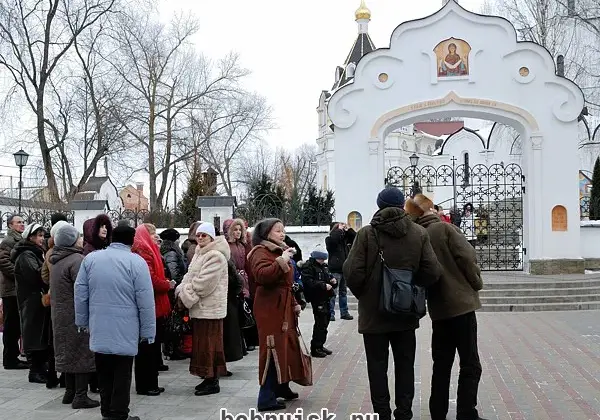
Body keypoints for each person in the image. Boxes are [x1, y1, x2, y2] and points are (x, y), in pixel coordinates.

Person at [343, 187, 442, 420]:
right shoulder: (418, 233)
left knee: (377, 367)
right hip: (405, 312)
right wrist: (413, 288)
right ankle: (404, 413)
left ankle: (382, 414)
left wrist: (366, 295)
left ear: (379, 206)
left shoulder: (367, 234)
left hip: (373, 315)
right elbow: (433, 271)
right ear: (402, 206)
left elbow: (352, 272)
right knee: (405, 366)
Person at [405, 194, 486, 420]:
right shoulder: (446, 230)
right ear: (431, 210)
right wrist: (476, 283)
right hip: (461, 305)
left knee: (441, 364)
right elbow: (467, 257)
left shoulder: (416, 236)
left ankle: (437, 412)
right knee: (470, 363)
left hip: (439, 309)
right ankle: (466, 412)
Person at [74, 224, 156, 420]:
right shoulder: (137, 262)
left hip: (99, 326)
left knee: (103, 372)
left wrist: (83, 321)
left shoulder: (91, 259)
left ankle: (106, 412)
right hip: (126, 329)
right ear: (132, 240)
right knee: (122, 373)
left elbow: (80, 293)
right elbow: (145, 301)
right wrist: (147, 332)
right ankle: (119, 413)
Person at [247, 218, 311, 412]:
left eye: (283, 230)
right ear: (266, 233)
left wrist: (294, 303)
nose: (282, 234)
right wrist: (282, 260)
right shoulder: (259, 251)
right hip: (270, 308)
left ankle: (282, 386)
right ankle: (265, 398)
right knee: (272, 348)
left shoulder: (280, 250)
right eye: (277, 231)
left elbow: (287, 284)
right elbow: (262, 276)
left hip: (283, 305)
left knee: (287, 346)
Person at [175, 221, 230, 396]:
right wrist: (181, 288)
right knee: (202, 344)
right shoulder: (200, 253)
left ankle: (212, 380)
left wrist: (185, 295)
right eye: (198, 235)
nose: (200, 238)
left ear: (212, 237)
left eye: (204, 235)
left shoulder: (215, 256)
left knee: (209, 345)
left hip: (210, 309)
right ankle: (207, 378)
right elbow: (189, 276)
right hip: (201, 308)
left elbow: (204, 284)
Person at [49, 224, 99, 409]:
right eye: (77, 237)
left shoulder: (57, 259)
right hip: (75, 315)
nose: (81, 239)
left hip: (60, 314)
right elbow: (83, 290)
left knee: (67, 351)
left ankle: (69, 392)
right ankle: (80, 396)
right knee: (81, 353)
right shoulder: (77, 260)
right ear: (71, 240)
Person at [131, 223, 174, 395]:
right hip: (149, 305)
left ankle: (150, 382)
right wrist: (167, 285)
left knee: (151, 347)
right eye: (152, 233)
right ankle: (146, 384)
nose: (155, 236)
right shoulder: (143, 252)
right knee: (146, 348)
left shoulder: (148, 250)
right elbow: (150, 279)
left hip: (152, 303)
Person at [12, 223, 50, 384]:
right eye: (39, 235)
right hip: (30, 299)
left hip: (37, 299)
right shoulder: (26, 255)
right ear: (31, 237)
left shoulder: (36, 252)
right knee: (33, 334)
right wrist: (47, 269)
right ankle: (35, 371)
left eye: (43, 235)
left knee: (39, 334)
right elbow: (36, 275)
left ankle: (41, 369)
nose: (42, 239)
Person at [223, 218, 257, 352]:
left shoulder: (242, 245)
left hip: (244, 279)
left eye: (239, 230)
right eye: (235, 230)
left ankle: (246, 340)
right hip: (234, 280)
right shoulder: (227, 245)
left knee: (245, 309)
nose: (238, 232)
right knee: (238, 311)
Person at [0, 214, 28, 370]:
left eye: (23, 222)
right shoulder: (8, 241)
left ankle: (14, 356)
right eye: (18, 222)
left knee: (17, 325)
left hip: (17, 289)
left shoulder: (20, 239)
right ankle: (10, 359)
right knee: (11, 326)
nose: (22, 224)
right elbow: (3, 262)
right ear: (10, 225)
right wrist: (20, 275)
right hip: (11, 290)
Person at [301, 245, 336, 358]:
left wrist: (333, 282)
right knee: (320, 324)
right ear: (316, 257)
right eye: (321, 259)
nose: (323, 261)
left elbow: (330, 280)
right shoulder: (308, 267)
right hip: (317, 298)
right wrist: (323, 285)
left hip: (326, 298)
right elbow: (308, 283)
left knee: (325, 323)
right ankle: (315, 348)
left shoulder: (324, 267)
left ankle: (320, 345)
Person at [159, 228, 188, 361]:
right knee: (174, 321)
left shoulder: (168, 250)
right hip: (173, 290)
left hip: (172, 289)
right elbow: (174, 272)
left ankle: (173, 348)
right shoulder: (171, 252)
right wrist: (181, 283)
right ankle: (172, 349)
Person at [325, 222, 356, 321]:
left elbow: (355, 237)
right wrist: (338, 229)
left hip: (344, 269)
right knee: (333, 292)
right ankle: (330, 313)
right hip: (335, 269)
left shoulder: (345, 240)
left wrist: (349, 229)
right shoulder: (330, 239)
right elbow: (334, 239)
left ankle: (344, 312)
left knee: (343, 292)